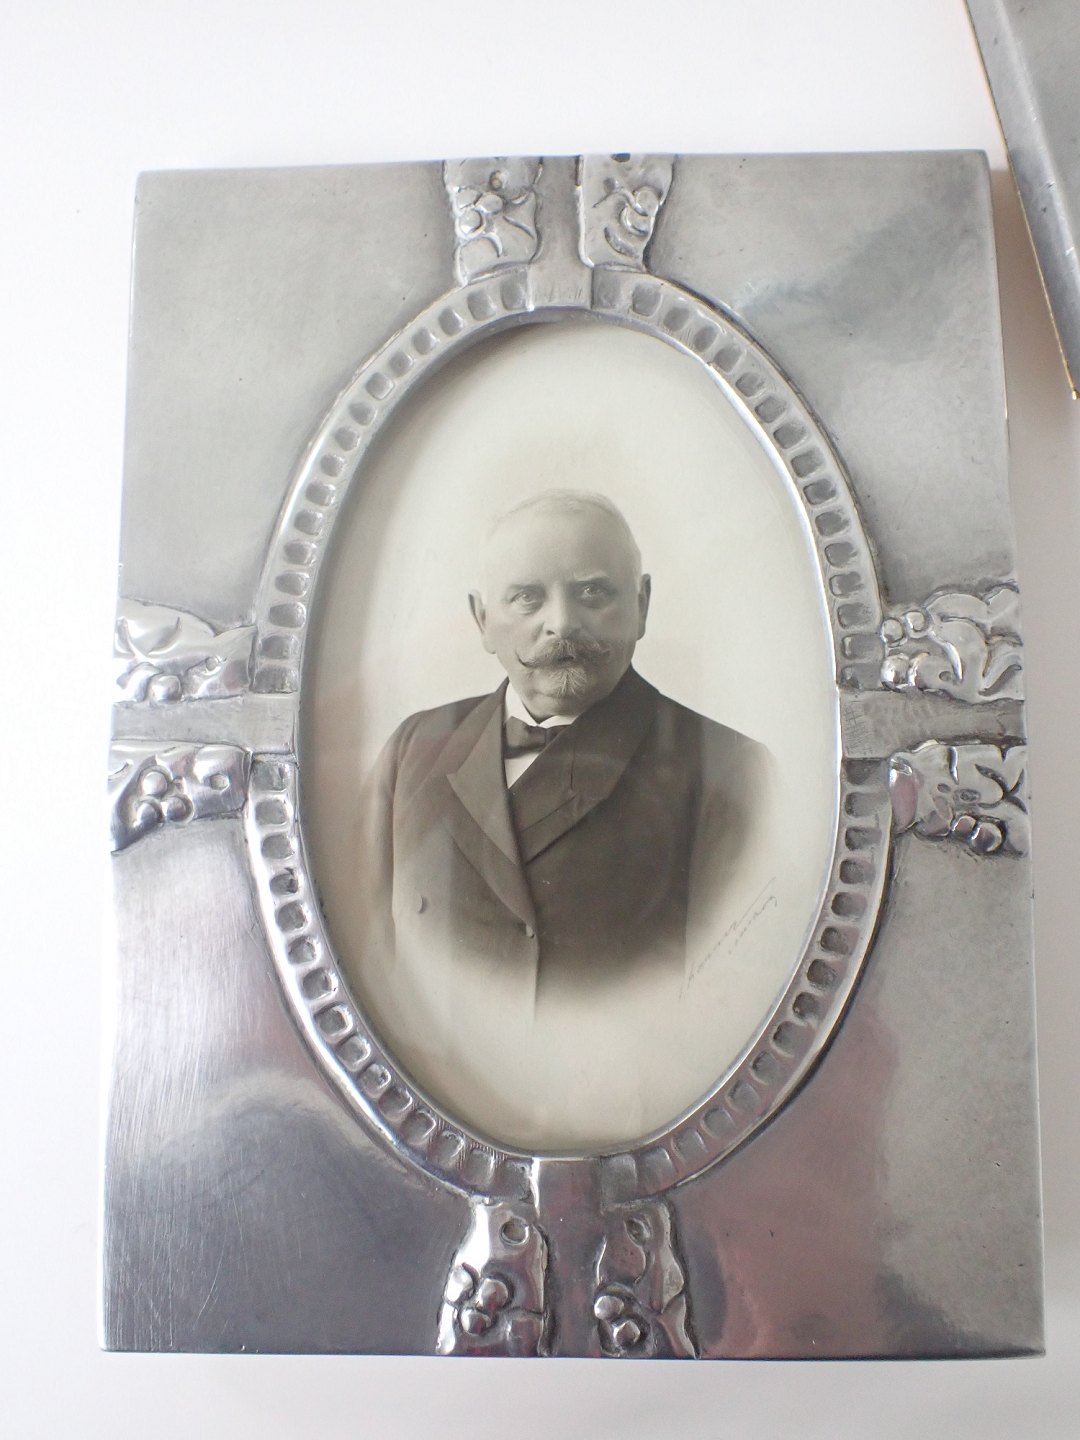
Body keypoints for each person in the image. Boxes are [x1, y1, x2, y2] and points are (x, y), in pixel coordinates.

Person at [357, 489, 768, 997]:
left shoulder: (730, 769)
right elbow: (363, 961)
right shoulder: (413, 748)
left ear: (641, 605)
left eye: (592, 592)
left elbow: (734, 1000)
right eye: (527, 597)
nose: (562, 623)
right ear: (482, 619)